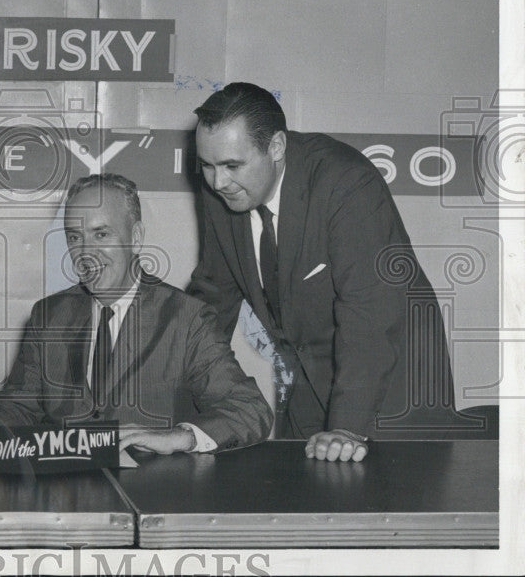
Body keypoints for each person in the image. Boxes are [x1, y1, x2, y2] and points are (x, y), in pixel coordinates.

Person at [188, 82, 456, 462]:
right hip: (308, 389)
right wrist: (172, 406)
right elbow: (213, 296)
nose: (218, 182)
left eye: (232, 165)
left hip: (392, 393)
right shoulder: (223, 189)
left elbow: (371, 316)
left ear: (276, 147)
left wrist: (347, 426)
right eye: (208, 166)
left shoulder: (347, 183)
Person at [0, 174, 272, 455]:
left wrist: (178, 437)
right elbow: (19, 406)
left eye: (101, 234)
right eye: (75, 237)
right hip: (66, 502)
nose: (86, 253)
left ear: (136, 238)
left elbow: (249, 409)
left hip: (152, 500)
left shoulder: (187, 319)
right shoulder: (48, 316)